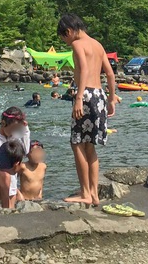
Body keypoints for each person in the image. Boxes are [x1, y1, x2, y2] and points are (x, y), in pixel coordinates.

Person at [58, 14, 116, 206]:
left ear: (68, 31)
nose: (67, 43)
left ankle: (85, 193)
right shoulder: (98, 44)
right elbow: (109, 73)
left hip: (87, 95)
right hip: (99, 95)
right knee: (89, 145)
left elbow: (83, 69)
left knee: (77, 144)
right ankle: (94, 194)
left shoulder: (77, 44)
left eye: (64, 39)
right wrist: (111, 99)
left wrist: (79, 98)